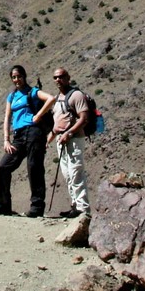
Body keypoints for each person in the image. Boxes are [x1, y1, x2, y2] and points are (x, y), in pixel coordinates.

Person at [0, 65, 54, 216]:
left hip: (34, 133)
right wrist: (6, 140)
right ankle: (3, 205)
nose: (16, 80)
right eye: (13, 77)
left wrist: (38, 116)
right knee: (4, 166)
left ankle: (37, 207)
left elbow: (51, 98)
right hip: (18, 136)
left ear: (24, 76)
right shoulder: (12, 97)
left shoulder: (32, 92)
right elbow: (7, 118)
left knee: (34, 167)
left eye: (19, 76)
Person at [49, 67, 91, 218]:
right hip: (61, 140)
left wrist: (70, 133)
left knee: (76, 173)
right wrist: (50, 138)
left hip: (74, 140)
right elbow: (58, 123)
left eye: (61, 77)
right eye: (55, 78)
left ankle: (83, 209)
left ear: (68, 77)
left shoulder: (76, 95)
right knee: (67, 174)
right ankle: (75, 205)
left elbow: (84, 118)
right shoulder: (58, 98)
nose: (58, 80)